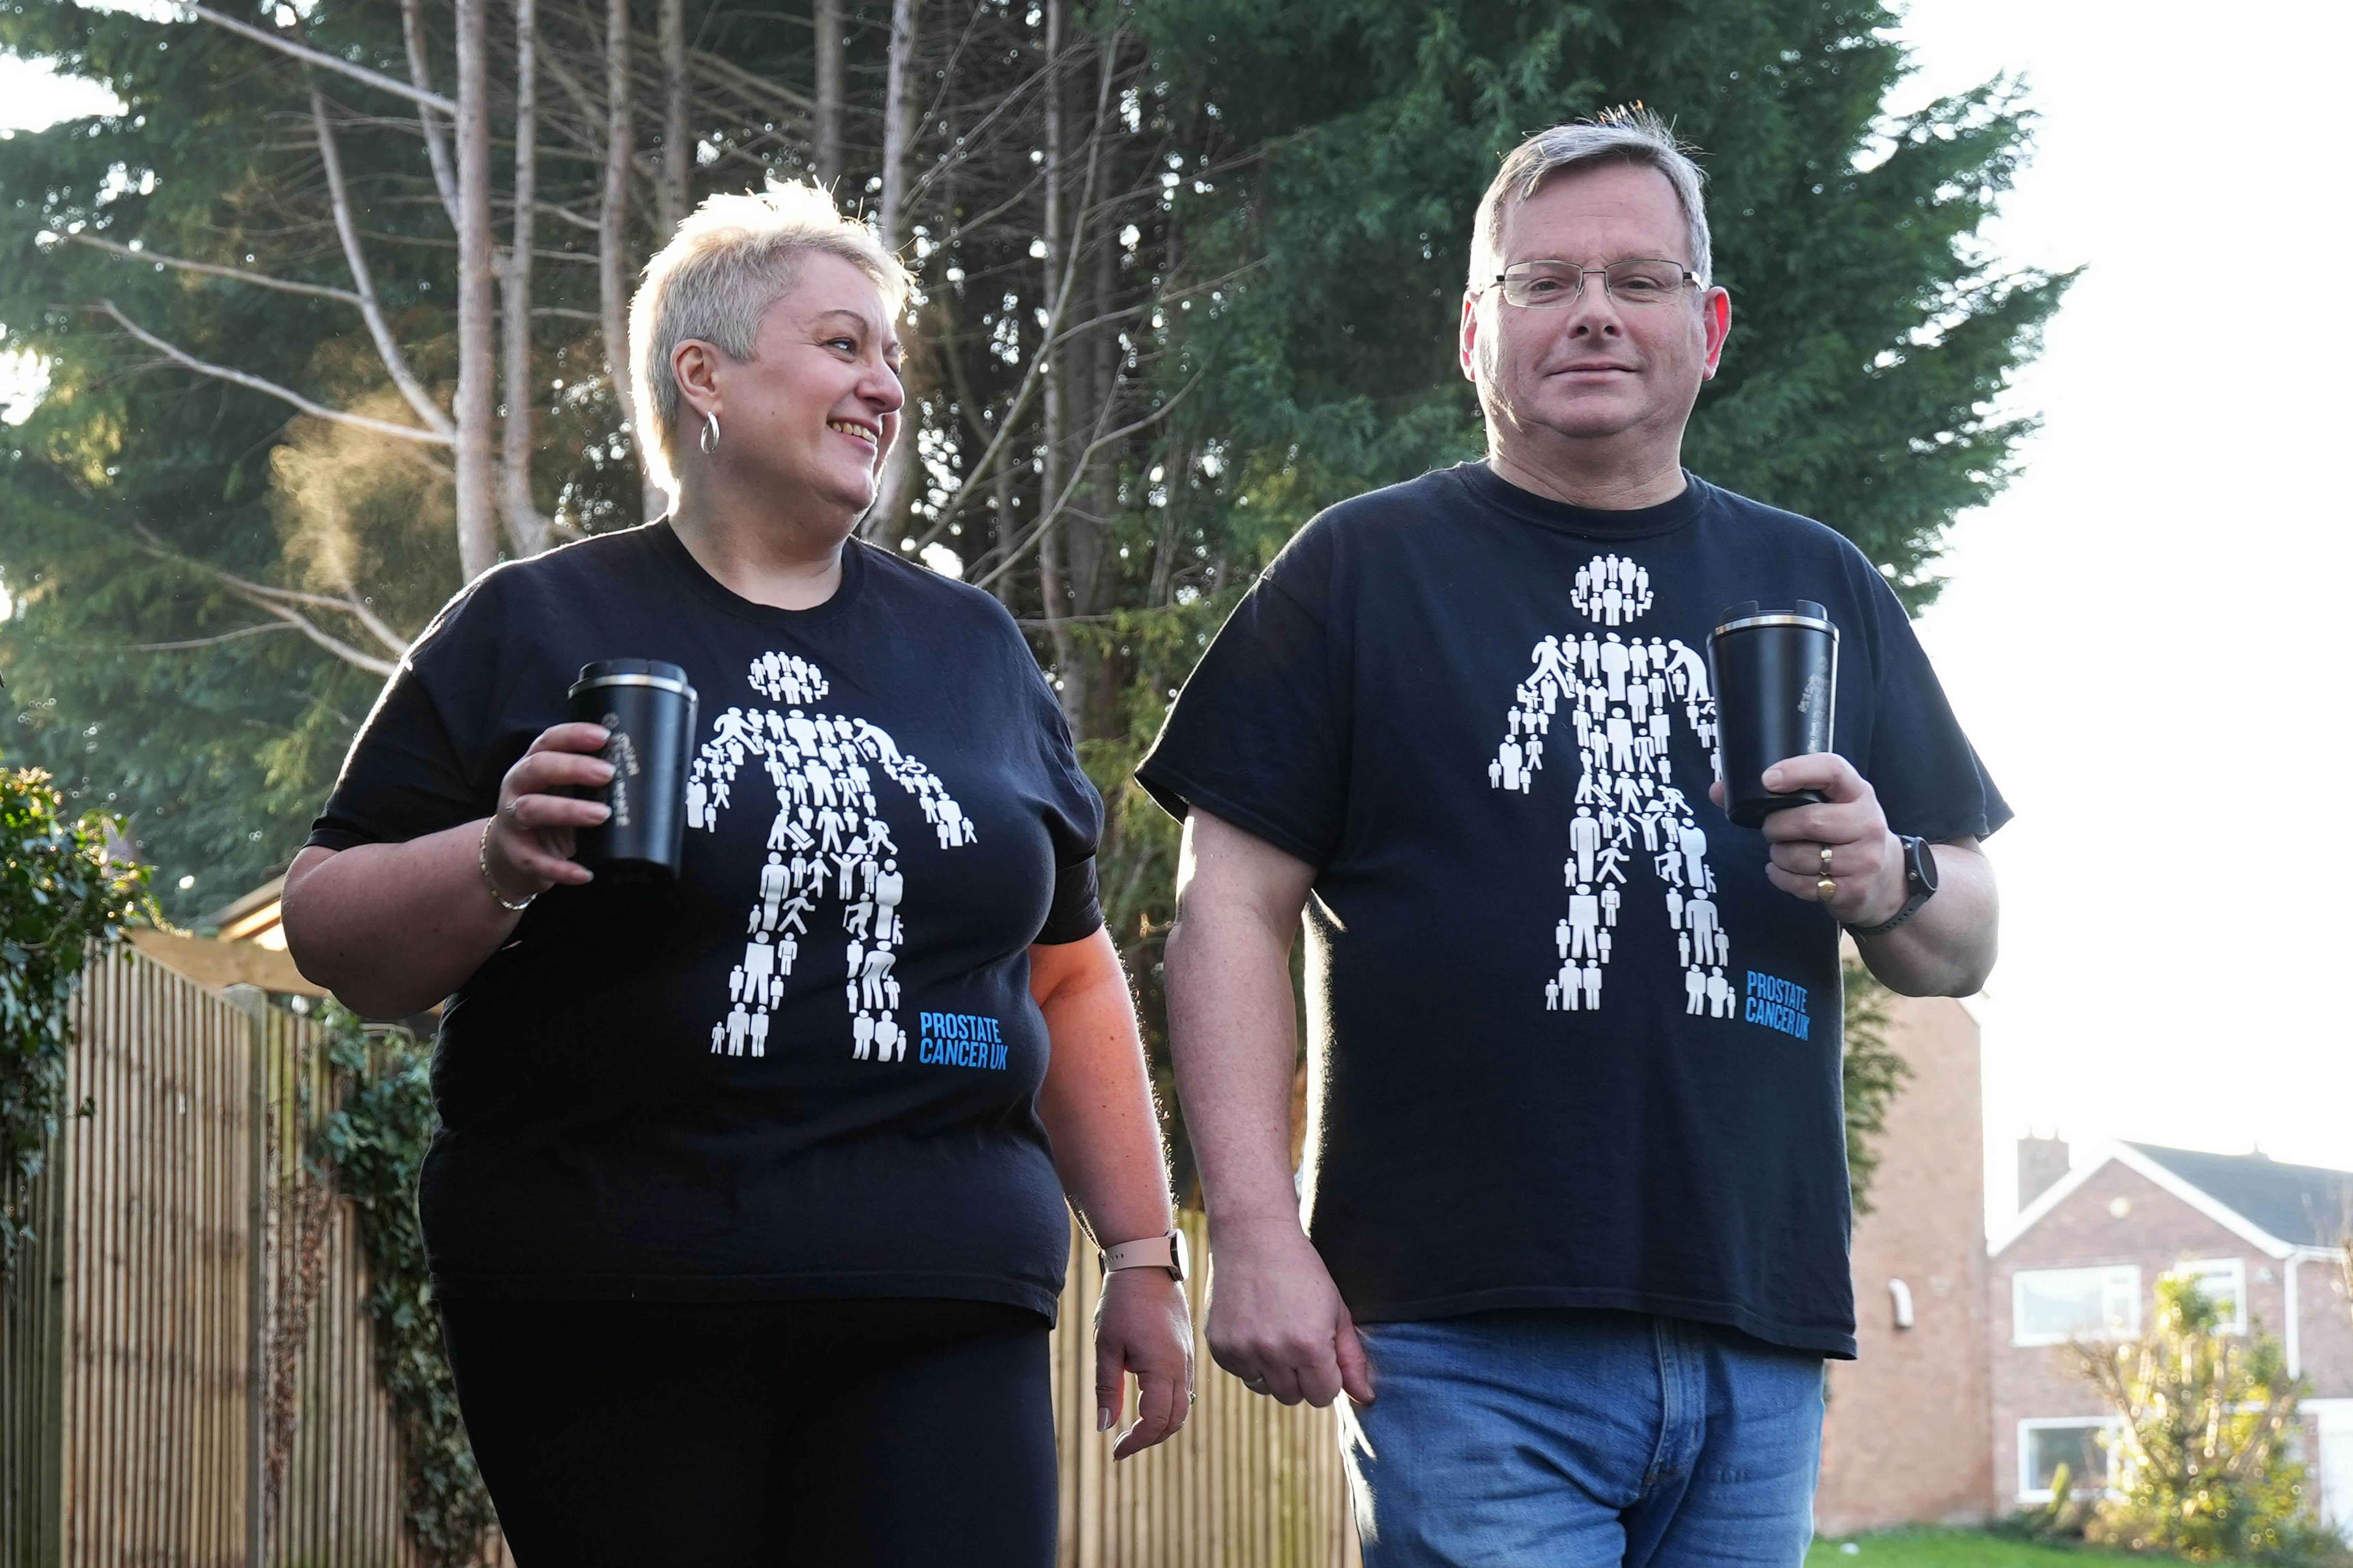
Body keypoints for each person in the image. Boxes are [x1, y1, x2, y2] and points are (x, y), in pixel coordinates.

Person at [1136, 109, 2005, 1567]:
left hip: (1754, 1332)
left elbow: (1965, 936)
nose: (1593, 311)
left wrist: (1891, 872)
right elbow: (1226, 905)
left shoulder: (1819, 582)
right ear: (1475, 331)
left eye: (1638, 280)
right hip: (1463, 1336)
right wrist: (1257, 1229)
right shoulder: (1360, 571)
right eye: (1544, 282)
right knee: (1604, 899)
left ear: (1707, 327)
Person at [281, 184, 1192, 1567]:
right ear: (702, 375)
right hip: (606, 1305)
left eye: (891, 356)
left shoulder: (973, 651)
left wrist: (1141, 1254)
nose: (885, 386)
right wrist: (493, 859)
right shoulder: (535, 623)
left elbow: (1063, 973)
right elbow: (328, 924)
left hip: (939, 1300)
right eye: (842, 345)